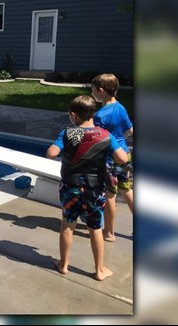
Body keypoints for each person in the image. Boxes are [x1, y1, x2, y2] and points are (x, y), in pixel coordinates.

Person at [46, 95, 129, 281]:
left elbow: (51, 153)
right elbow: (123, 159)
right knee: (95, 228)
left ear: (74, 115)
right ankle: (99, 270)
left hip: (71, 187)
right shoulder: (104, 135)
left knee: (67, 225)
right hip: (95, 189)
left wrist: (65, 149)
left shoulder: (68, 133)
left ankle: (63, 265)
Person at [90, 73, 134, 242]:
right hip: (124, 154)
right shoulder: (121, 107)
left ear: (101, 91)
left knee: (109, 194)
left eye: (93, 89)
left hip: (109, 159)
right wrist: (119, 139)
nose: (92, 92)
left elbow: (98, 139)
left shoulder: (100, 116)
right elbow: (130, 131)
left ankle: (109, 233)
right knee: (126, 189)